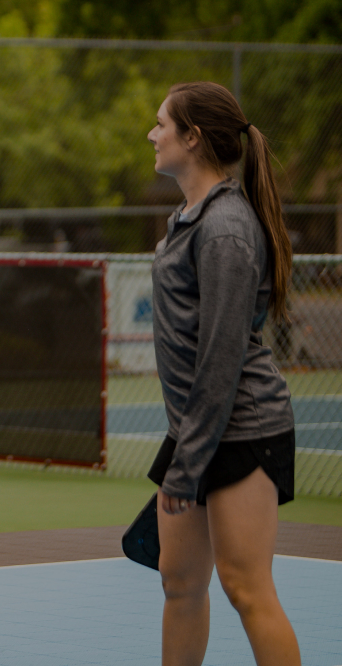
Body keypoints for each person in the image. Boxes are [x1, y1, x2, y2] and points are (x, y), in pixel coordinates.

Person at [145, 81, 299, 666]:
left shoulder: (226, 229)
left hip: (243, 431)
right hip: (196, 432)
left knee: (246, 588)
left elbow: (222, 356)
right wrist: (185, 454)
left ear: (193, 136)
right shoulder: (188, 217)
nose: (152, 134)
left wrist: (187, 465)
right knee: (179, 584)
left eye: (162, 123)